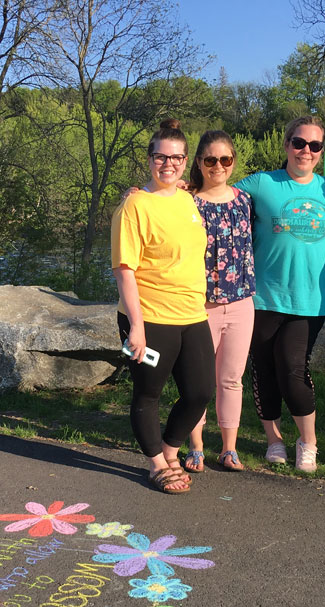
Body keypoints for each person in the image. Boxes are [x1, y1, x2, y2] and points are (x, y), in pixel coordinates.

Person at [235, 115, 325, 472]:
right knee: (264, 369)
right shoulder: (262, 183)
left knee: (292, 370)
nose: (306, 151)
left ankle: (308, 442)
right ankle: (273, 440)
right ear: (287, 145)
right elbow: (215, 193)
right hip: (263, 297)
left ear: (321, 151)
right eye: (299, 143)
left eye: (314, 145)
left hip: (311, 300)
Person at [112, 118, 214, 494]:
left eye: (175, 158)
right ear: (150, 158)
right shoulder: (135, 205)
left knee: (200, 391)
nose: (168, 164)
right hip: (149, 316)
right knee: (149, 393)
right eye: (160, 157)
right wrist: (135, 327)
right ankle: (157, 464)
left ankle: (170, 450)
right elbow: (125, 268)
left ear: (185, 161)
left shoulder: (187, 199)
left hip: (192, 314)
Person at [179, 130, 255, 473]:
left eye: (225, 159)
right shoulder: (186, 200)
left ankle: (229, 449)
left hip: (241, 303)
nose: (218, 166)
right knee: (198, 380)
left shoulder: (244, 200)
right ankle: (195, 446)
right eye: (210, 160)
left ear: (233, 162)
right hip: (200, 304)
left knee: (231, 379)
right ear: (199, 162)